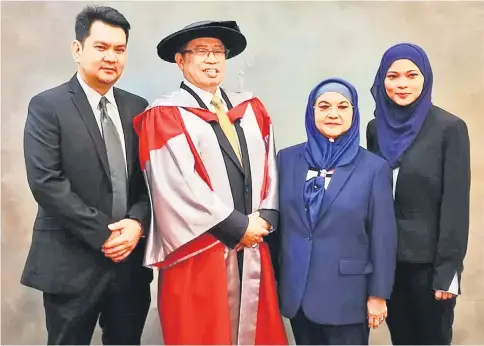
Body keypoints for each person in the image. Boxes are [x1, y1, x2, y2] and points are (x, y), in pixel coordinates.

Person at [134, 20, 288, 345]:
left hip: (253, 247)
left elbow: (270, 169)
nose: (212, 60)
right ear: (181, 60)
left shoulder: (251, 109)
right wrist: (237, 227)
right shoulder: (165, 114)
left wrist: (265, 218)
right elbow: (174, 186)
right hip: (199, 251)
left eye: (218, 52)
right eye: (201, 52)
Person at [20, 5, 152, 345]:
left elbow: (151, 182)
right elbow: (46, 183)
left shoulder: (139, 108)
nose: (111, 57)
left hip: (130, 266)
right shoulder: (48, 106)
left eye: (119, 49)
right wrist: (106, 234)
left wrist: (137, 224)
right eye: (101, 47)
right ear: (77, 50)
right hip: (70, 264)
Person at [275, 78, 397, 345]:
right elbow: (279, 225)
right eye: (324, 106)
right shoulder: (286, 159)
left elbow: (383, 238)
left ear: (354, 113)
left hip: (347, 297)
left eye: (343, 106)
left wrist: (378, 294)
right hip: (298, 293)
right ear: (311, 111)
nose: (333, 113)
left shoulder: (374, 168)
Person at [366, 42, 471, 345]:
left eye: (412, 75)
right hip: (387, 264)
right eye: (393, 75)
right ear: (381, 80)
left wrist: (448, 271)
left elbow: (455, 205)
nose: (402, 84)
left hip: (430, 268)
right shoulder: (375, 129)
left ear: (425, 78)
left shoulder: (449, 128)